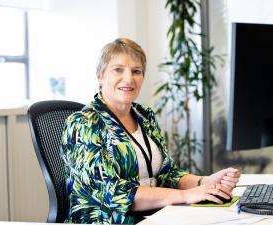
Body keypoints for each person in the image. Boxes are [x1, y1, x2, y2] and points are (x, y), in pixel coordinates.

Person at [60, 38, 241, 224]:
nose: (129, 78)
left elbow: (167, 174)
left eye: (136, 71)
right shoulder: (84, 123)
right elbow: (112, 192)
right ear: (100, 75)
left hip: (155, 216)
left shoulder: (144, 115)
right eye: (118, 69)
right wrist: (186, 196)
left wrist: (205, 182)